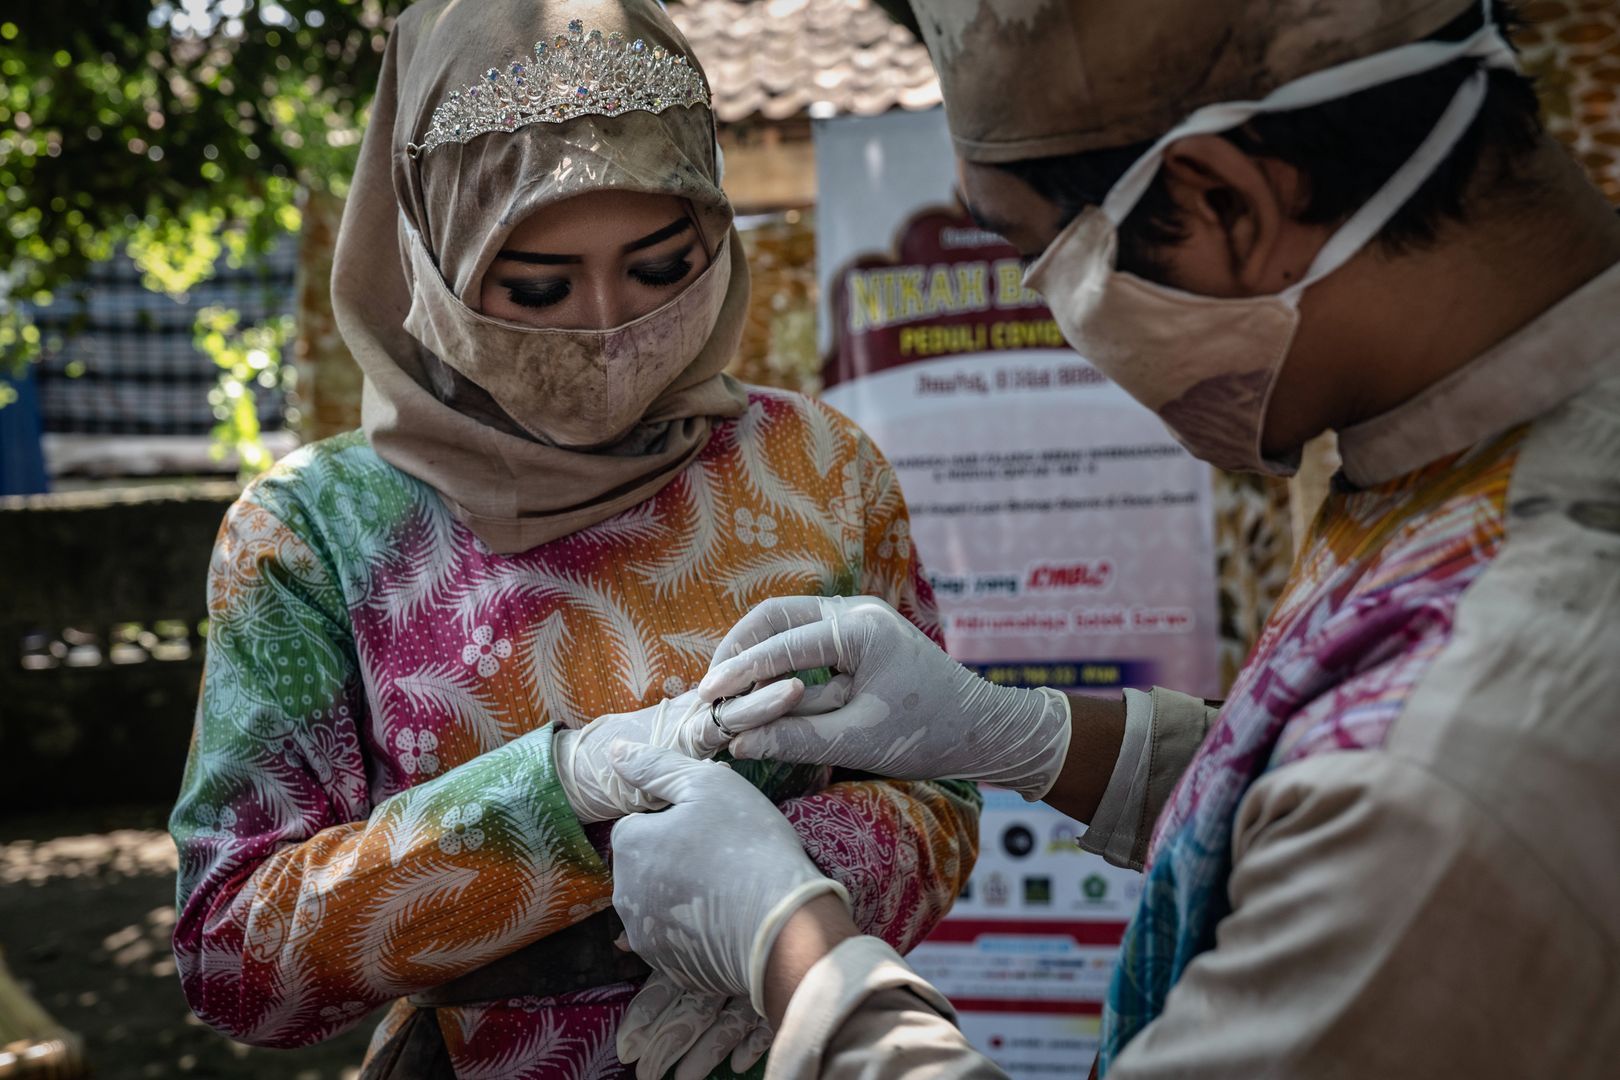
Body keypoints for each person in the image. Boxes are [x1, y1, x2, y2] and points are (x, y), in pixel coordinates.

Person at [607, 0, 1620, 1076]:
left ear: (1222, 203)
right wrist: (1028, 736)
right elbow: (1302, 788)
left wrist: (793, 951)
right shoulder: (1452, 448)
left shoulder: (1462, 759)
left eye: (1042, 253)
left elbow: (1381, 799)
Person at [166, 2, 982, 1077]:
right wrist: (559, 794)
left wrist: (779, 913)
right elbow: (233, 955)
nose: (607, 325)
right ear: (433, 259)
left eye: (659, 269)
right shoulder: (316, 532)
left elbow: (940, 791)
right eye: (537, 287)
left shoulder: (817, 468)